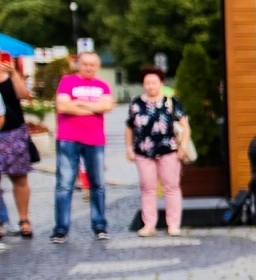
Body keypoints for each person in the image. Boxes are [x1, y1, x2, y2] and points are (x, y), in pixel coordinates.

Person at [52, 51, 115, 243]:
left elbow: (107, 106)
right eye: (85, 64)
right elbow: (63, 106)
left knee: (98, 184)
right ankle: (61, 229)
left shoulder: (102, 85)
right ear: (78, 64)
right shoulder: (67, 81)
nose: (88, 67)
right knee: (65, 184)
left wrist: (77, 103)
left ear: (98, 67)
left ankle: (99, 225)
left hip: (95, 139)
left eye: (92, 65)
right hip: (68, 138)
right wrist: (92, 106)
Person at [125, 67, 190, 237]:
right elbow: (129, 128)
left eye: (154, 82)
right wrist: (129, 148)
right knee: (147, 188)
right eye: (147, 83)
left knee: (171, 187)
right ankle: (149, 224)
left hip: (168, 150)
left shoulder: (171, 102)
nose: (150, 86)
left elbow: (185, 127)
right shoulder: (136, 103)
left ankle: (173, 224)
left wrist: (182, 147)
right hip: (143, 152)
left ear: (161, 83)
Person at [0, 54, 33, 238]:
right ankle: (1, 223)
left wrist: (14, 74)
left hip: (14, 132)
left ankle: (24, 219)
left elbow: (23, 95)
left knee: (20, 178)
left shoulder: (11, 75)